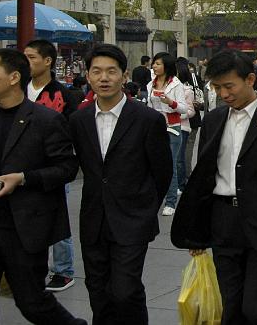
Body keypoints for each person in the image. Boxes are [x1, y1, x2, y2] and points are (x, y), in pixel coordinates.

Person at [171, 50, 257, 325]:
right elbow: (204, 178)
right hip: (224, 223)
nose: (223, 94)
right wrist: (198, 233)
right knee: (230, 308)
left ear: (249, 79)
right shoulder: (214, 120)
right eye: (217, 87)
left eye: (229, 86)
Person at [0, 49, 84, 325]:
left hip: (23, 229)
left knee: (32, 303)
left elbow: (66, 168)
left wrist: (23, 178)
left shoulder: (46, 120)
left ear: (14, 77)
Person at [67, 44, 172, 325]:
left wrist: (145, 206)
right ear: (87, 76)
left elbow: (162, 171)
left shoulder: (147, 119)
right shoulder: (79, 120)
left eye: (111, 72)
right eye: (97, 72)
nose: (104, 78)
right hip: (94, 218)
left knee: (125, 291)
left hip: (133, 218)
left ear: (124, 76)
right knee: (98, 291)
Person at [24, 39, 81, 292]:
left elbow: (71, 130)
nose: (27, 62)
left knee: (56, 219)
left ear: (48, 61)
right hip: (20, 167)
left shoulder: (63, 95)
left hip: (52, 166)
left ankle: (63, 270)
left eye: (32, 57)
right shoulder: (17, 90)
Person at [146, 52, 187, 216]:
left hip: (172, 127)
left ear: (166, 66)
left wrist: (170, 102)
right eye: (154, 63)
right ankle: (155, 197)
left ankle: (170, 201)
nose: (154, 66)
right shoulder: (151, 84)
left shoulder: (176, 84)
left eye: (158, 63)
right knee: (153, 163)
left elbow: (183, 108)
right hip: (154, 128)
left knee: (170, 164)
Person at [175, 58, 200, 195]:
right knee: (183, 152)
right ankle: (184, 177)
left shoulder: (187, 86)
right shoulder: (194, 78)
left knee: (183, 153)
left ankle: (185, 179)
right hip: (188, 121)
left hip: (188, 122)